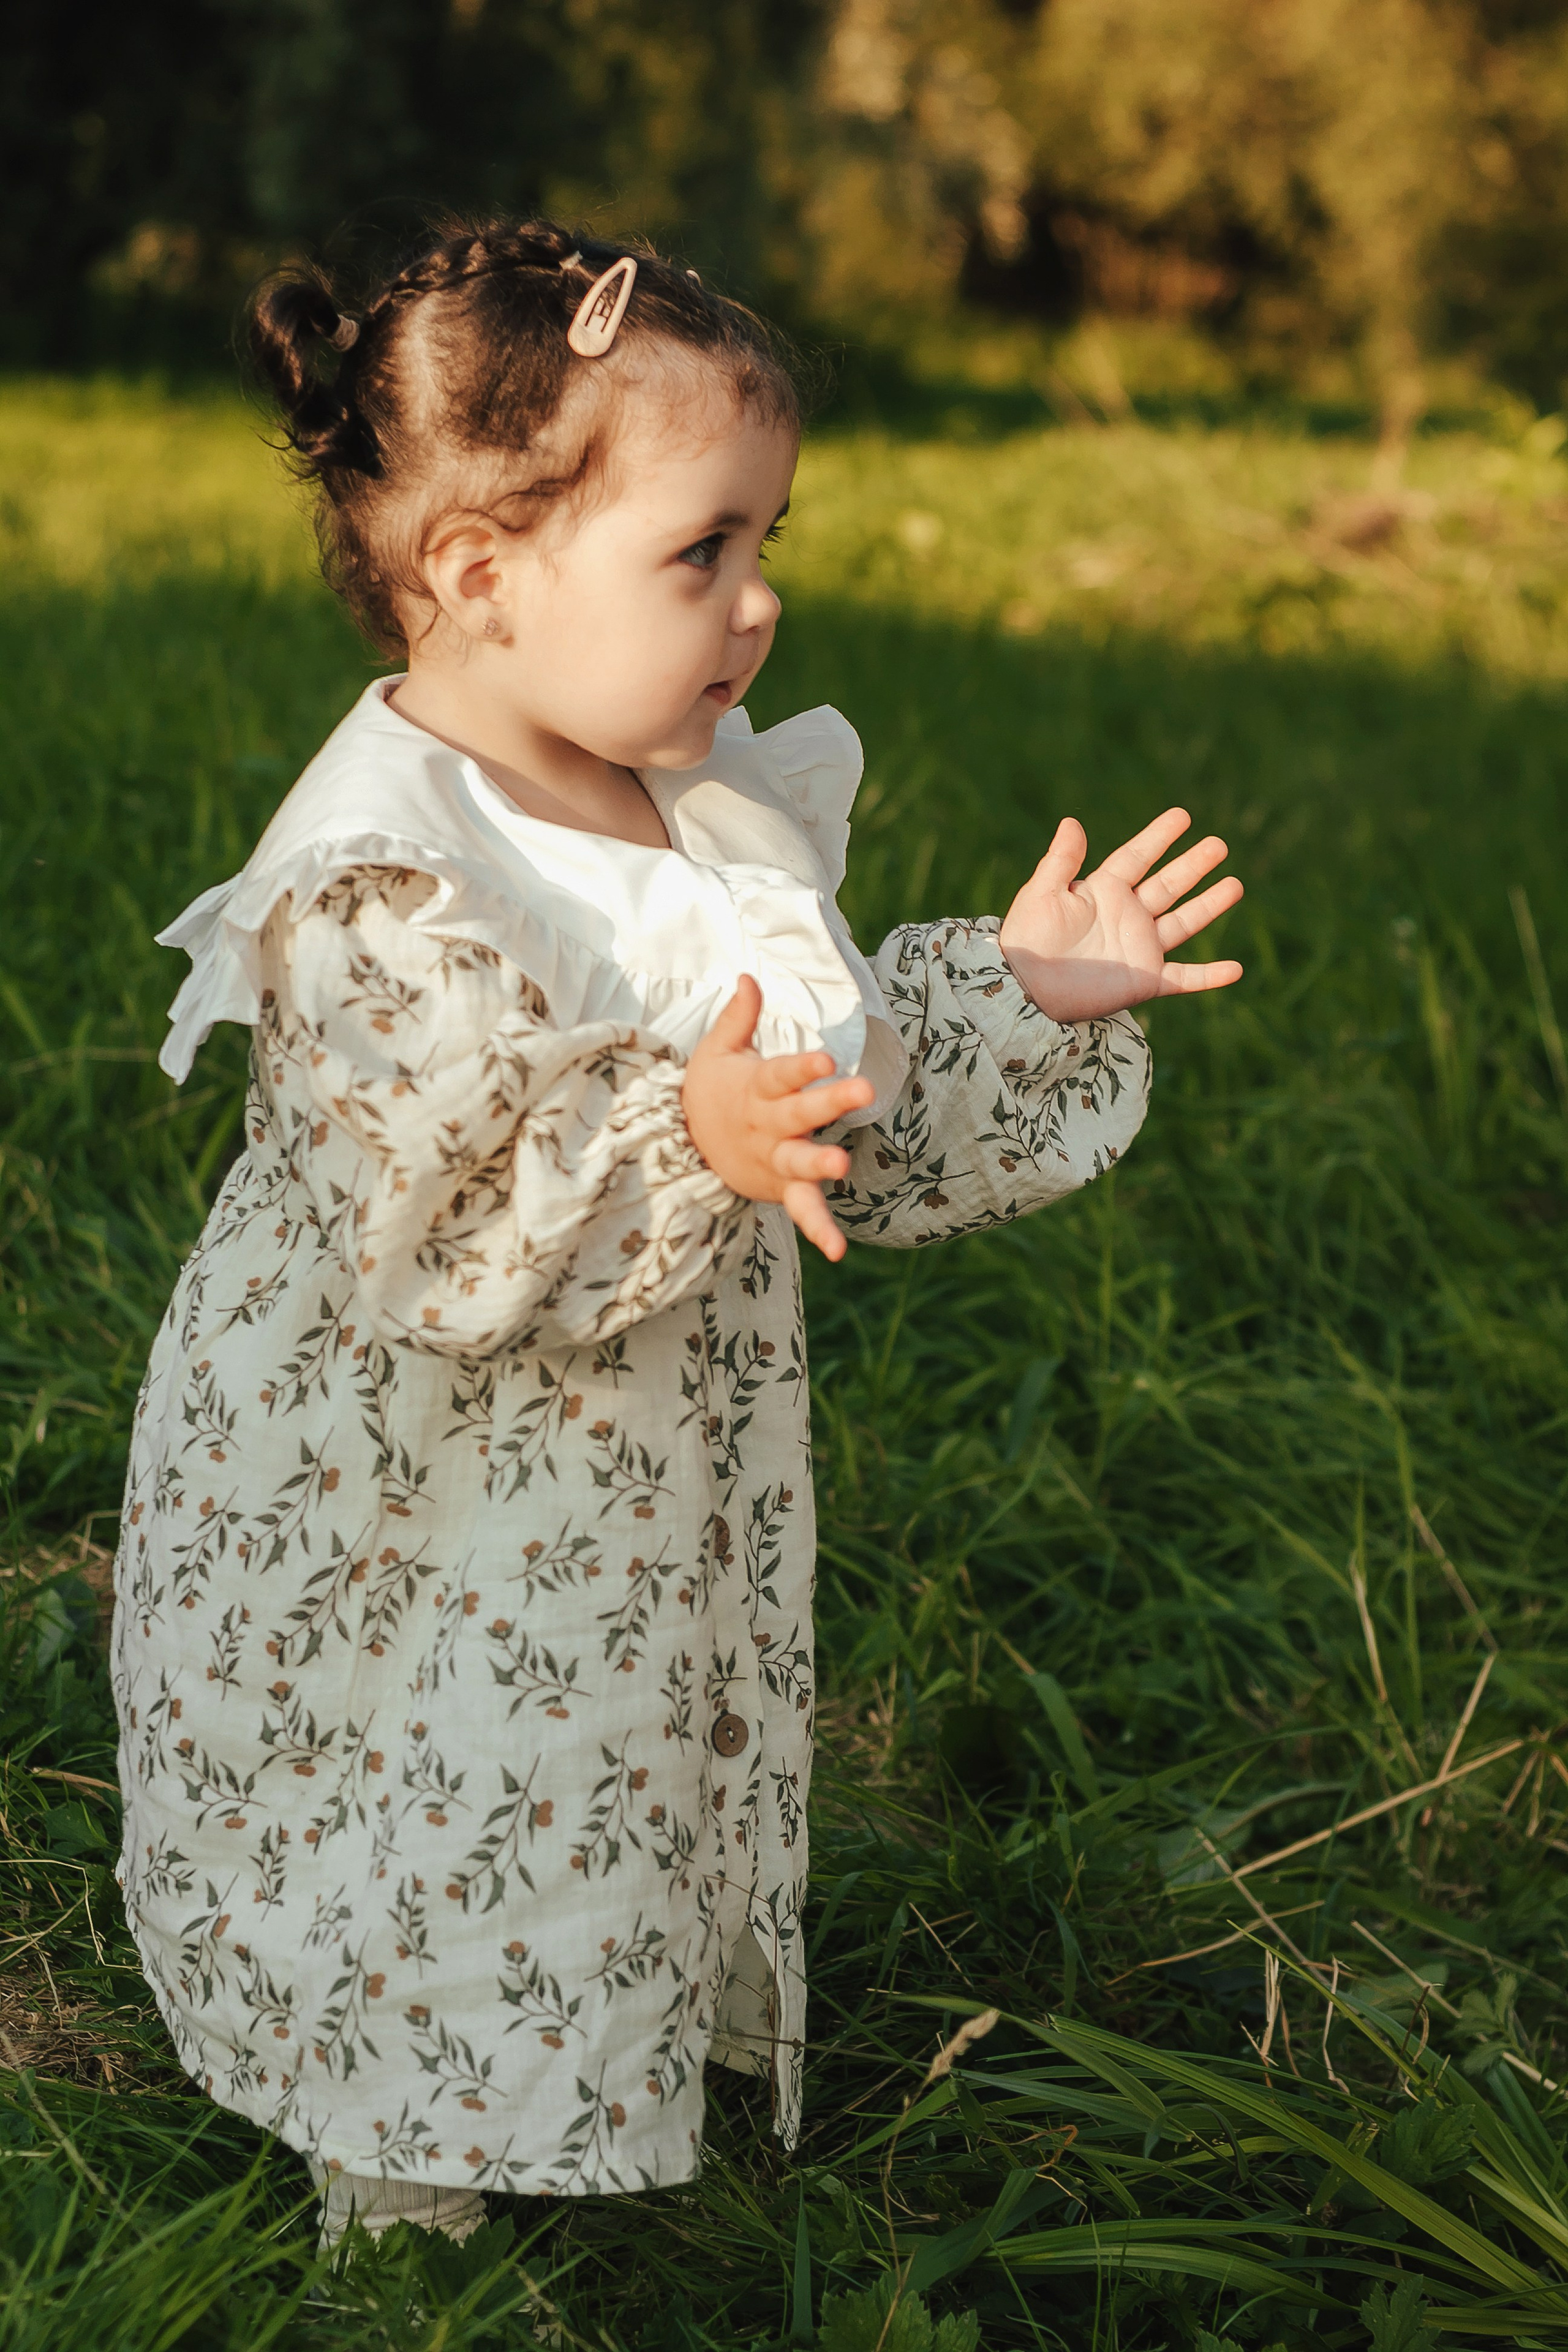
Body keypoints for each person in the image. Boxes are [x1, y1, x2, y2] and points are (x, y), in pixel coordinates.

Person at [111, 219, 1242, 2250]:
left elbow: (838, 1126)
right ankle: (397, 2197)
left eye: (764, 538)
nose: (761, 598)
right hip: (409, 1493)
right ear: (475, 575)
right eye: (701, 552)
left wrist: (1008, 995)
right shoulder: (383, 877)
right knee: (435, 1782)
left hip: (626, 1499)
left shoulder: (706, 814)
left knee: (586, 1769)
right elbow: (443, 1204)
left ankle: (577, 2065)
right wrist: (678, 1127)